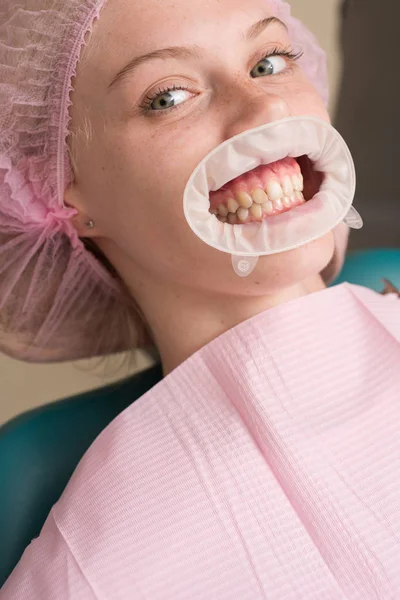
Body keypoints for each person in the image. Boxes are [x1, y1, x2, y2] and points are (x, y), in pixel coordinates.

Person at [1, 0, 400, 597]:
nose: (265, 104)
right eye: (167, 97)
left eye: (269, 61)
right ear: (56, 190)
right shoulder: (95, 576)